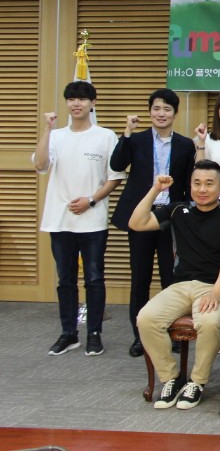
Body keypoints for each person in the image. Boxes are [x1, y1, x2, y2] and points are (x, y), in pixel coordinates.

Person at [132, 161, 220, 410]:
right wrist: (155, 190)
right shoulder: (177, 210)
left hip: (215, 286)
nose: (202, 189)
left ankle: (197, 382)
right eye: (197, 183)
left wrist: (216, 292)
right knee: (146, 318)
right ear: (190, 185)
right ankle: (171, 377)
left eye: (209, 184)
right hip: (180, 286)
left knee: (209, 322)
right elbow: (137, 223)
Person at [35, 81, 124, 356]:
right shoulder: (56, 136)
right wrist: (47, 129)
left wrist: (91, 200)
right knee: (65, 280)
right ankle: (68, 333)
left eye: (83, 99)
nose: (77, 104)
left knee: (94, 279)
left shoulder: (106, 136)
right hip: (60, 220)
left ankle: (94, 334)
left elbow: (115, 178)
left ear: (92, 103)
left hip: (92, 219)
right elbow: (40, 164)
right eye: (72, 99)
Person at [110, 88, 195, 358]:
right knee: (140, 277)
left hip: (171, 217)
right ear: (150, 112)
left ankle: (173, 332)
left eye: (167, 109)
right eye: (156, 108)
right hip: (142, 216)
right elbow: (117, 164)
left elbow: (189, 183)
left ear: (175, 114)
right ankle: (140, 336)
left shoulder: (185, 145)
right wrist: (126, 132)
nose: (161, 114)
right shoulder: (136, 140)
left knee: (172, 278)